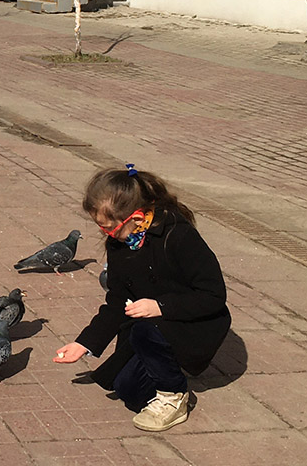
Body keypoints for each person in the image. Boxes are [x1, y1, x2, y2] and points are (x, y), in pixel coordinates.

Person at [55, 165, 230, 433]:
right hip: (150, 327)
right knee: (129, 390)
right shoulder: (120, 244)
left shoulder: (178, 236)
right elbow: (117, 301)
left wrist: (159, 306)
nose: (105, 234)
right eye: (100, 227)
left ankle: (174, 396)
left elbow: (213, 296)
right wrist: (84, 343)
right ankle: (164, 369)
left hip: (195, 322)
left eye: (108, 227)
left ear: (135, 217)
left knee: (146, 333)